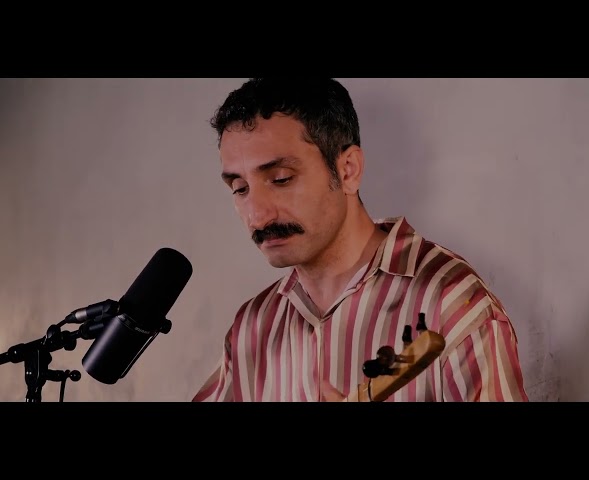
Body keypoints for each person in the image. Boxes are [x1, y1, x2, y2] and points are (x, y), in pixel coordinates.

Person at [192, 78, 529, 402]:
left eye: (281, 179)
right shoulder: (252, 327)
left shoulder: (450, 302)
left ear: (348, 170)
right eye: (240, 189)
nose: (257, 216)